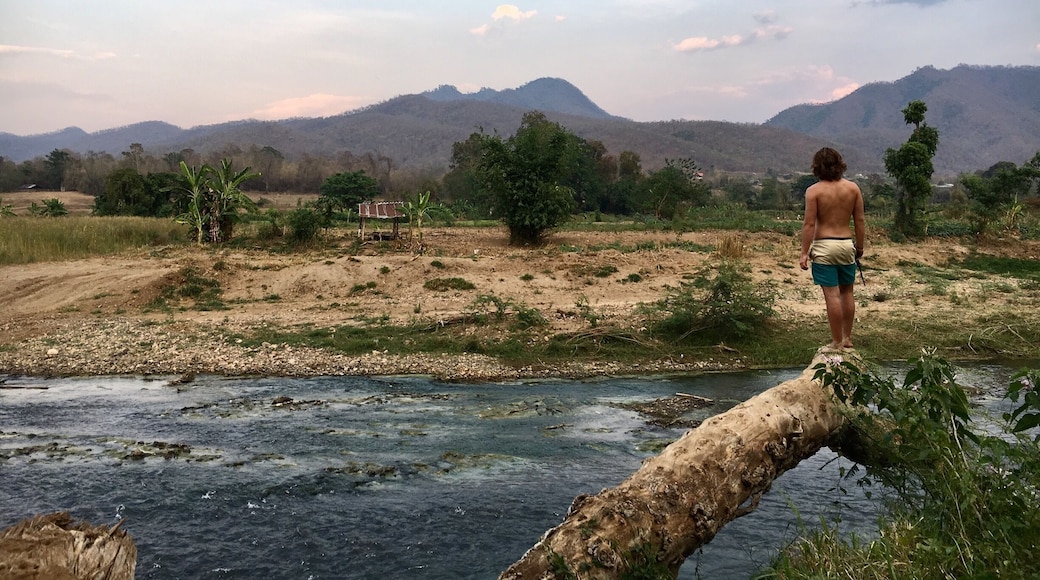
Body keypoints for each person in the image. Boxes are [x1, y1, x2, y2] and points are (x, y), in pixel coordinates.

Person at [799, 147, 866, 350]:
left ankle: (836, 341)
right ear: (839, 164)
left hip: (824, 246)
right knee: (847, 292)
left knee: (832, 295)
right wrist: (860, 246)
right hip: (846, 244)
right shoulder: (853, 189)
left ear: (817, 167)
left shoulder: (814, 191)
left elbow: (809, 224)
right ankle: (847, 338)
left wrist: (804, 252)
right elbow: (860, 220)